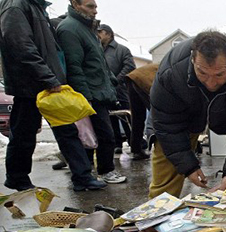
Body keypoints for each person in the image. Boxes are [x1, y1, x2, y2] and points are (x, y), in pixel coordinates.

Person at [0, 0, 106, 191]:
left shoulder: (36, 7)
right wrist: (48, 78)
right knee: (24, 133)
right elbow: (20, 45)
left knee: (67, 130)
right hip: (31, 84)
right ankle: (17, 177)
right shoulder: (16, 6)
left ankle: (82, 177)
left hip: (50, 82)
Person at [149, 30, 226, 198]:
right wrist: (188, 167)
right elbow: (167, 126)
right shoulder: (171, 72)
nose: (211, 83)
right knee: (165, 178)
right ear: (193, 60)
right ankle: (155, 219)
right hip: (181, 120)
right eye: (202, 73)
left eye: (219, 74)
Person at [56, 0, 127, 185]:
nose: (95, 11)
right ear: (75, 4)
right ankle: (101, 171)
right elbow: (74, 67)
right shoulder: (70, 29)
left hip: (99, 91)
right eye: (90, 6)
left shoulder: (88, 29)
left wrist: (110, 81)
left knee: (95, 135)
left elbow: (98, 63)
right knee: (100, 135)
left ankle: (89, 173)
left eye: (95, 6)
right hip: (88, 94)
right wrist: (85, 98)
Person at [97, 23, 135, 154]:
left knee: (127, 117)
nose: (98, 35)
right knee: (111, 118)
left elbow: (130, 66)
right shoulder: (98, 50)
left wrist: (117, 80)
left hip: (121, 90)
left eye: (100, 32)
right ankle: (117, 143)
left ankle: (134, 142)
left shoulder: (122, 50)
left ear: (108, 34)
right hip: (106, 91)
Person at [124, 63, 159, 160]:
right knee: (158, 113)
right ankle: (161, 147)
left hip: (132, 78)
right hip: (143, 80)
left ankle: (136, 150)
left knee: (137, 117)